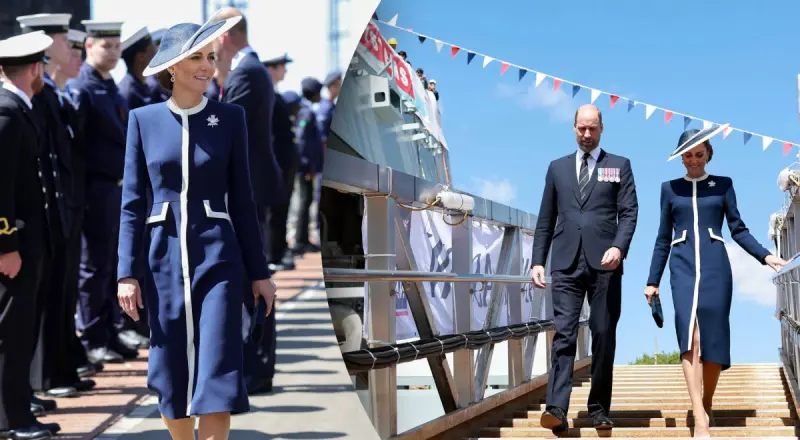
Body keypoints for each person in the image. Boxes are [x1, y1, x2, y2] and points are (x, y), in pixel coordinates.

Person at [116, 13, 277, 440]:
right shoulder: (143, 120)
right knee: (169, 371)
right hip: (162, 258)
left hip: (218, 257)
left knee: (219, 369)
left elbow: (243, 202)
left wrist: (259, 272)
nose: (207, 66)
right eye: (196, 58)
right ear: (173, 66)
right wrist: (126, 273)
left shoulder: (230, 119)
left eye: (210, 57)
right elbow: (132, 204)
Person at [645, 126, 787, 437]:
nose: (694, 160)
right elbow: (662, 238)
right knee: (690, 337)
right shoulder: (669, 189)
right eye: (688, 155)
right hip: (681, 265)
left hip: (715, 266)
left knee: (713, 341)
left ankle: (706, 401)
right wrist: (652, 280)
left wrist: (765, 256)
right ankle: (699, 417)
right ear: (681, 158)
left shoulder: (723, 185)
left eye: (699, 154)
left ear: (708, 153)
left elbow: (738, 229)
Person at [531, 104, 638, 432]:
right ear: (574, 128)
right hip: (565, 263)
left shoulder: (618, 165)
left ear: (601, 128)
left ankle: (599, 408)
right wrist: (538, 260)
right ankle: (556, 408)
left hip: (606, 263)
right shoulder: (557, 168)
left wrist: (619, 247)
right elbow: (546, 218)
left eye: (592, 128)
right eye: (582, 128)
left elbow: (629, 212)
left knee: (603, 334)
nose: (587, 134)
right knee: (563, 334)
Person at [16, 12, 96, 405]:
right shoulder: (36, 98)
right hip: (43, 214)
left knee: (60, 294)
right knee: (42, 301)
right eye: (64, 41)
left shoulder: (54, 94)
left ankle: (57, 368)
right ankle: (43, 376)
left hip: (64, 207)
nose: (71, 48)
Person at [210, 7, 285, 394]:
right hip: (251, 189)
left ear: (223, 36)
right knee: (249, 277)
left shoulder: (247, 73)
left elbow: (222, 124)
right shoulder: (249, 70)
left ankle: (256, 367)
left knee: (253, 279)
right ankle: (253, 365)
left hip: (248, 192)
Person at [0, 30, 62, 440]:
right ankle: (12, 419)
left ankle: (20, 406)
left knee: (22, 331)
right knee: (12, 334)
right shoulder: (7, 113)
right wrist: (6, 245)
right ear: (37, 69)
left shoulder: (16, 109)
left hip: (27, 243)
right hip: (14, 246)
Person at [68, 20, 140, 364]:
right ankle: (93, 336)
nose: (112, 53)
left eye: (116, 46)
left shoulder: (109, 85)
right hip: (96, 189)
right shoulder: (83, 87)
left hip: (117, 189)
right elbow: (77, 149)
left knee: (112, 265)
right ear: (88, 47)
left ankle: (110, 332)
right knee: (94, 267)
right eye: (105, 46)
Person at [262, 51, 297, 272]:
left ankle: (278, 251)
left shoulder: (275, 95)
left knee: (282, 208)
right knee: (275, 210)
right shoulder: (269, 96)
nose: (285, 70)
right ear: (271, 68)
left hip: (284, 162)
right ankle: (273, 254)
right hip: (278, 162)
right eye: (282, 66)